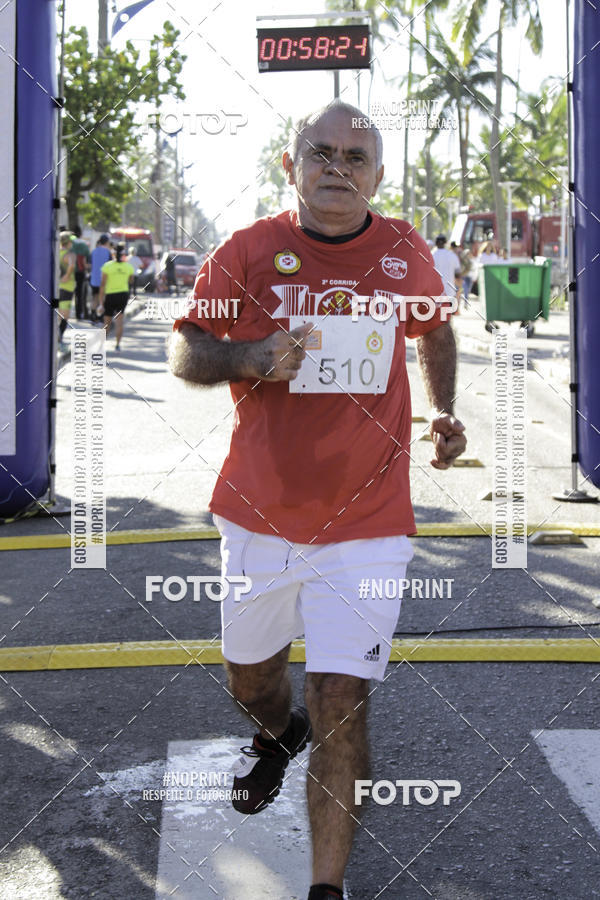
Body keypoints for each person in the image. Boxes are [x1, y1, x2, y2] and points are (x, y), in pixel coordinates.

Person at [168, 101, 467, 900]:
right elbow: (188, 349)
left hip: (369, 521)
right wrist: (250, 356)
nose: (338, 167)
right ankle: (277, 732)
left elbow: (434, 329)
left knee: (341, 698)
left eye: (355, 156)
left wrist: (442, 411)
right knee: (252, 683)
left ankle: (326, 888)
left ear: (379, 174)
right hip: (261, 515)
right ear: (290, 165)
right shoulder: (247, 252)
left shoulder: (404, 250)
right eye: (321, 152)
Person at [98, 242, 134, 351]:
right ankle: (117, 345)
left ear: (113, 254)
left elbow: (102, 284)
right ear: (123, 255)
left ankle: (101, 345)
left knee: (107, 322)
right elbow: (131, 281)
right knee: (119, 321)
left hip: (110, 295)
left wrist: (101, 302)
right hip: (122, 295)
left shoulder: (107, 266)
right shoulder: (128, 267)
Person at [58, 231, 76, 349]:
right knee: (64, 315)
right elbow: (71, 265)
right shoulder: (70, 254)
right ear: (68, 242)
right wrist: (67, 275)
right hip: (67, 288)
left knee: (57, 313)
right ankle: (59, 340)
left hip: (57, 287)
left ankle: (57, 338)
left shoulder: (57, 252)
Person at [89, 234, 112, 322]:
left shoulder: (93, 251)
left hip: (94, 279)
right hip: (104, 279)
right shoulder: (108, 252)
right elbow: (110, 265)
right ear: (107, 242)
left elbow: (89, 264)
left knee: (94, 297)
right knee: (102, 298)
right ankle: (101, 316)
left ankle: (92, 315)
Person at [70, 225, 91, 320]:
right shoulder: (84, 245)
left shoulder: (70, 243)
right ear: (81, 234)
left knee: (68, 293)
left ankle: (65, 313)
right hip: (80, 271)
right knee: (79, 294)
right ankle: (78, 314)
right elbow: (87, 259)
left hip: (69, 271)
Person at [431, 234, 461, 299]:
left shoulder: (431, 255)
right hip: (450, 292)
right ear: (445, 243)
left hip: (435, 293)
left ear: (436, 243)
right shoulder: (452, 255)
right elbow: (458, 275)